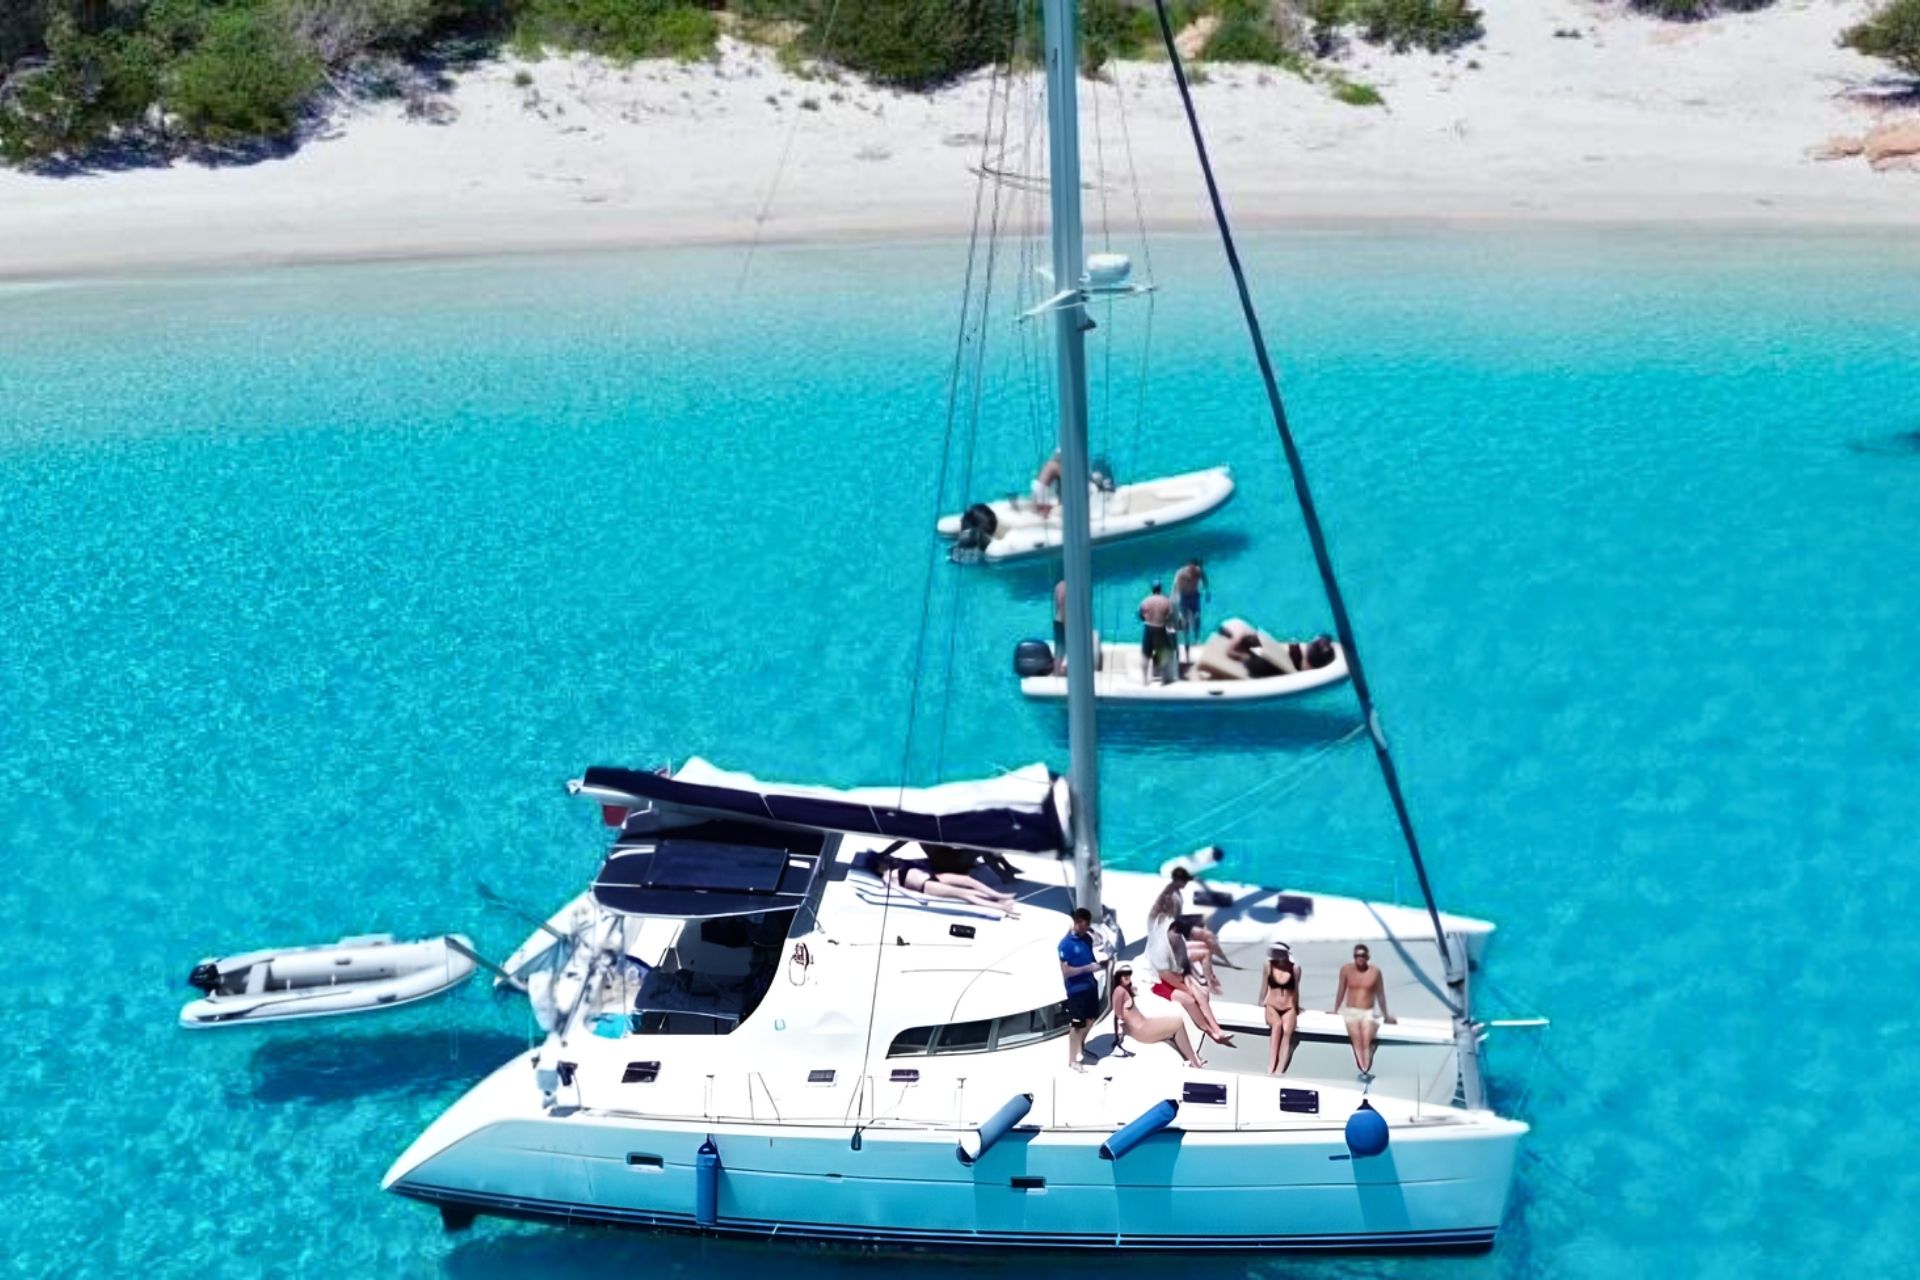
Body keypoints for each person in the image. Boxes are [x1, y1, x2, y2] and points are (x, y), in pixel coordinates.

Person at [1145, 885, 1235, 1046]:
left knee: (1200, 993)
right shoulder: (1160, 948)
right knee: (1190, 998)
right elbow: (1165, 975)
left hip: (1172, 971)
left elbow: (1162, 911)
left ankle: (1216, 1029)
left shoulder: (1170, 926)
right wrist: (1185, 987)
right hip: (1158, 981)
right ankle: (1208, 1030)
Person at [1110, 964, 1205, 1068]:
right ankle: (1194, 1062)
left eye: (1129, 976)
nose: (1128, 979)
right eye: (1125, 977)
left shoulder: (1124, 989)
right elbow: (1118, 1015)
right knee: (1178, 1024)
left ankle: (1192, 1059)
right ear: (1118, 977)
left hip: (1143, 1025)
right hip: (1141, 1029)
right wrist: (1119, 1036)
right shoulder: (1119, 991)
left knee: (1174, 1023)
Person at [1329, 942, 1396, 1081]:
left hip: (1367, 1011)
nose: (1359, 958)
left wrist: (1386, 1015)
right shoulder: (1346, 970)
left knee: (1366, 1038)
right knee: (1356, 1039)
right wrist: (1335, 1010)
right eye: (1357, 956)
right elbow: (1341, 990)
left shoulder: (1375, 972)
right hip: (1350, 1011)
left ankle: (1365, 1067)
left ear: (1367, 957)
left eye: (1362, 956)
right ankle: (1364, 1069)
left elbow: (1380, 994)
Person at [876, 854, 1020, 917]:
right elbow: (897, 890)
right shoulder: (886, 877)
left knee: (969, 880)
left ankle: (999, 895)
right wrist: (916, 897)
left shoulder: (897, 864)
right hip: (926, 885)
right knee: (963, 893)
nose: (885, 861)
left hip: (934, 875)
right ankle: (1002, 906)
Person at [1058, 907, 1107, 1071]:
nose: (1086, 929)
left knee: (1091, 1019)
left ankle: (1080, 1047)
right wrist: (1087, 968)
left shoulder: (1087, 939)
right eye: (1084, 925)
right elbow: (1066, 972)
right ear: (1078, 923)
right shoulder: (1065, 945)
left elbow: (1092, 959)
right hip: (1076, 990)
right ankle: (1073, 1060)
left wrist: (1100, 965)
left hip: (1090, 986)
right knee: (1076, 1025)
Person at [1259, 941, 1302, 1075]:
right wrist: (1260, 1002)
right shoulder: (1269, 965)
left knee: (1287, 1034)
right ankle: (1271, 1066)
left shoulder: (1295, 968)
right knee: (1276, 1026)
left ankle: (1279, 1070)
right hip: (1272, 1004)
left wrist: (1296, 1007)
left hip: (1288, 1006)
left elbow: (1296, 989)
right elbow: (1264, 985)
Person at [1138, 582, 1177, 685]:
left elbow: (1140, 614)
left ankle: (1145, 680)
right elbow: (1170, 616)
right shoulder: (1166, 601)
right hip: (1160, 629)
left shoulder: (1146, 601)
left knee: (1145, 654)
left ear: (1152, 589)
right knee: (1164, 654)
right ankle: (1164, 680)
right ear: (1160, 589)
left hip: (1148, 628)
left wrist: (1147, 618)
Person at [1173, 558, 1210, 660]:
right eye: (1192, 569)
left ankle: (1197, 638)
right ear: (1189, 565)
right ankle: (1186, 638)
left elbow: (1205, 579)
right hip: (1184, 598)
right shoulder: (1180, 573)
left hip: (1194, 596)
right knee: (1185, 620)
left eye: (1196, 569)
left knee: (1197, 617)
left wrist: (1207, 591)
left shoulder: (1199, 571)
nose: (1194, 571)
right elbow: (1175, 586)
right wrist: (1174, 600)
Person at [1030, 450, 1063, 516]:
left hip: (1035, 484)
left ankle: (1038, 509)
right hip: (1042, 487)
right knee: (1044, 511)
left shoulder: (1050, 463)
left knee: (1038, 508)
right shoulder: (1056, 465)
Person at [1052, 578, 1068, 673]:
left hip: (1057, 621)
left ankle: (1057, 672)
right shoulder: (1073, 587)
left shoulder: (1058, 585)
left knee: (1059, 651)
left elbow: (1057, 607)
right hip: (1066, 622)